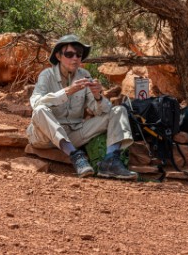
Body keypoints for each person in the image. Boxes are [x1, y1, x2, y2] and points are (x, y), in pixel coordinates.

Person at [26, 34, 137, 180]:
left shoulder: (84, 75)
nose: (75, 58)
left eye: (78, 55)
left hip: (73, 134)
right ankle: (76, 156)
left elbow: (101, 111)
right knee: (40, 109)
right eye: (69, 54)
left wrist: (98, 96)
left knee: (119, 110)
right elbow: (36, 103)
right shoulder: (47, 75)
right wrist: (67, 91)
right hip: (44, 136)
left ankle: (110, 161)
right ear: (59, 56)